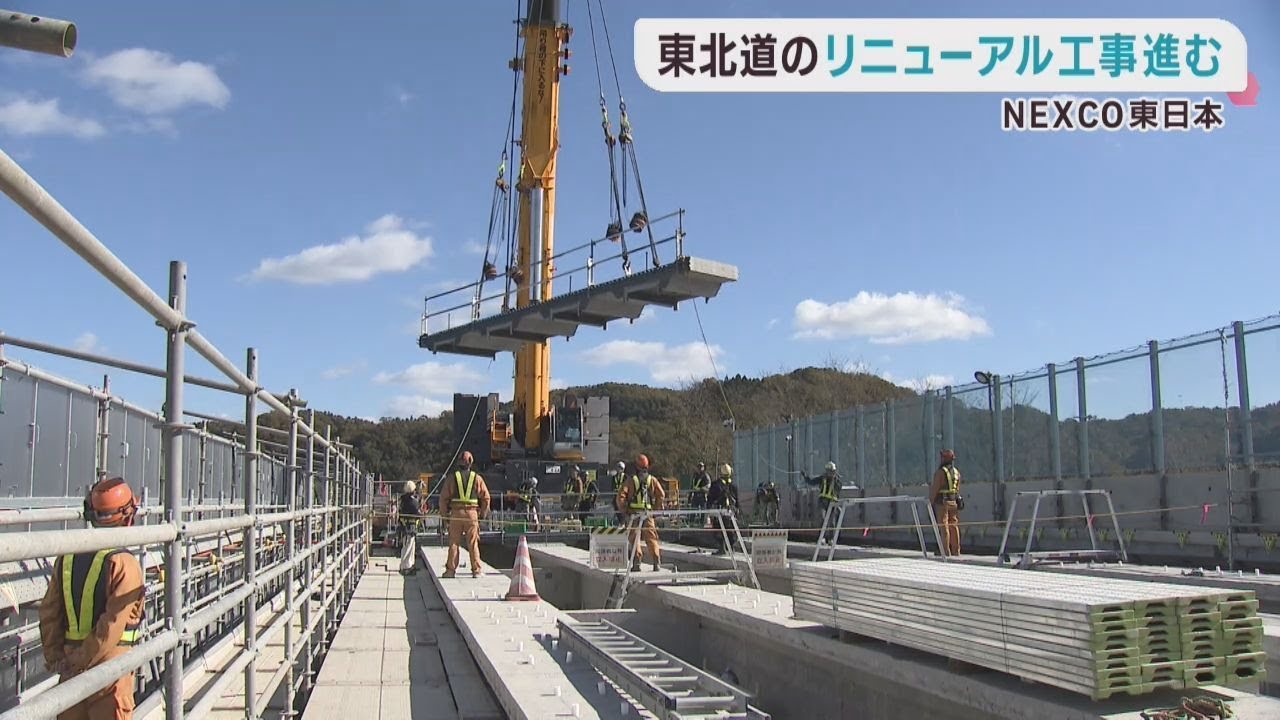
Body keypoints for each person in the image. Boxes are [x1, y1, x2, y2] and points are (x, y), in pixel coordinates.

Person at [38, 476, 145, 720]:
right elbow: (112, 625)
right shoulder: (124, 562)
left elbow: (49, 612)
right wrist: (83, 661)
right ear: (127, 515)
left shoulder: (68, 556)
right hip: (109, 671)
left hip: (70, 672)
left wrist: (59, 660)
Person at [439, 451, 491, 578]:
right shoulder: (477, 478)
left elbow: (443, 499)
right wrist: (482, 514)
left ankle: (450, 571)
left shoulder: (452, 478)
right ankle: (476, 570)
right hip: (472, 514)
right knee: (473, 543)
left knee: (454, 543)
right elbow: (486, 498)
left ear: (458, 462)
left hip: (456, 514)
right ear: (471, 462)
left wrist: (445, 517)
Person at [615, 453, 666, 571]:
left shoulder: (631, 480)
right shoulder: (652, 480)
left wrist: (624, 510)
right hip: (647, 514)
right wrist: (655, 509)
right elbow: (661, 495)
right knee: (651, 538)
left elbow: (620, 496)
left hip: (634, 514)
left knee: (634, 539)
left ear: (636, 466)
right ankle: (656, 562)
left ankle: (637, 563)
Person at [929, 449, 962, 557]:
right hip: (953, 501)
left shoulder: (940, 473)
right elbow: (957, 489)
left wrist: (930, 502)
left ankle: (945, 550)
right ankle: (956, 550)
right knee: (954, 525)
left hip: (942, 503)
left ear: (944, 459)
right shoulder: (957, 473)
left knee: (944, 526)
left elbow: (935, 488)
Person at [707, 463, 739, 554]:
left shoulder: (715, 485)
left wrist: (709, 510)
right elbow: (737, 501)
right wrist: (737, 511)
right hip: (730, 512)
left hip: (719, 512)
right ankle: (731, 548)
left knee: (718, 530)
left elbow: (710, 499)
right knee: (730, 529)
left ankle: (722, 548)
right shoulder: (733, 486)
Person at [397, 480, 423, 575]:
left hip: (405, 526)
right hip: (409, 527)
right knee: (408, 547)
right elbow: (417, 513)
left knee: (410, 546)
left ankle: (410, 565)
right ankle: (405, 567)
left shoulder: (403, 500)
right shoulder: (412, 502)